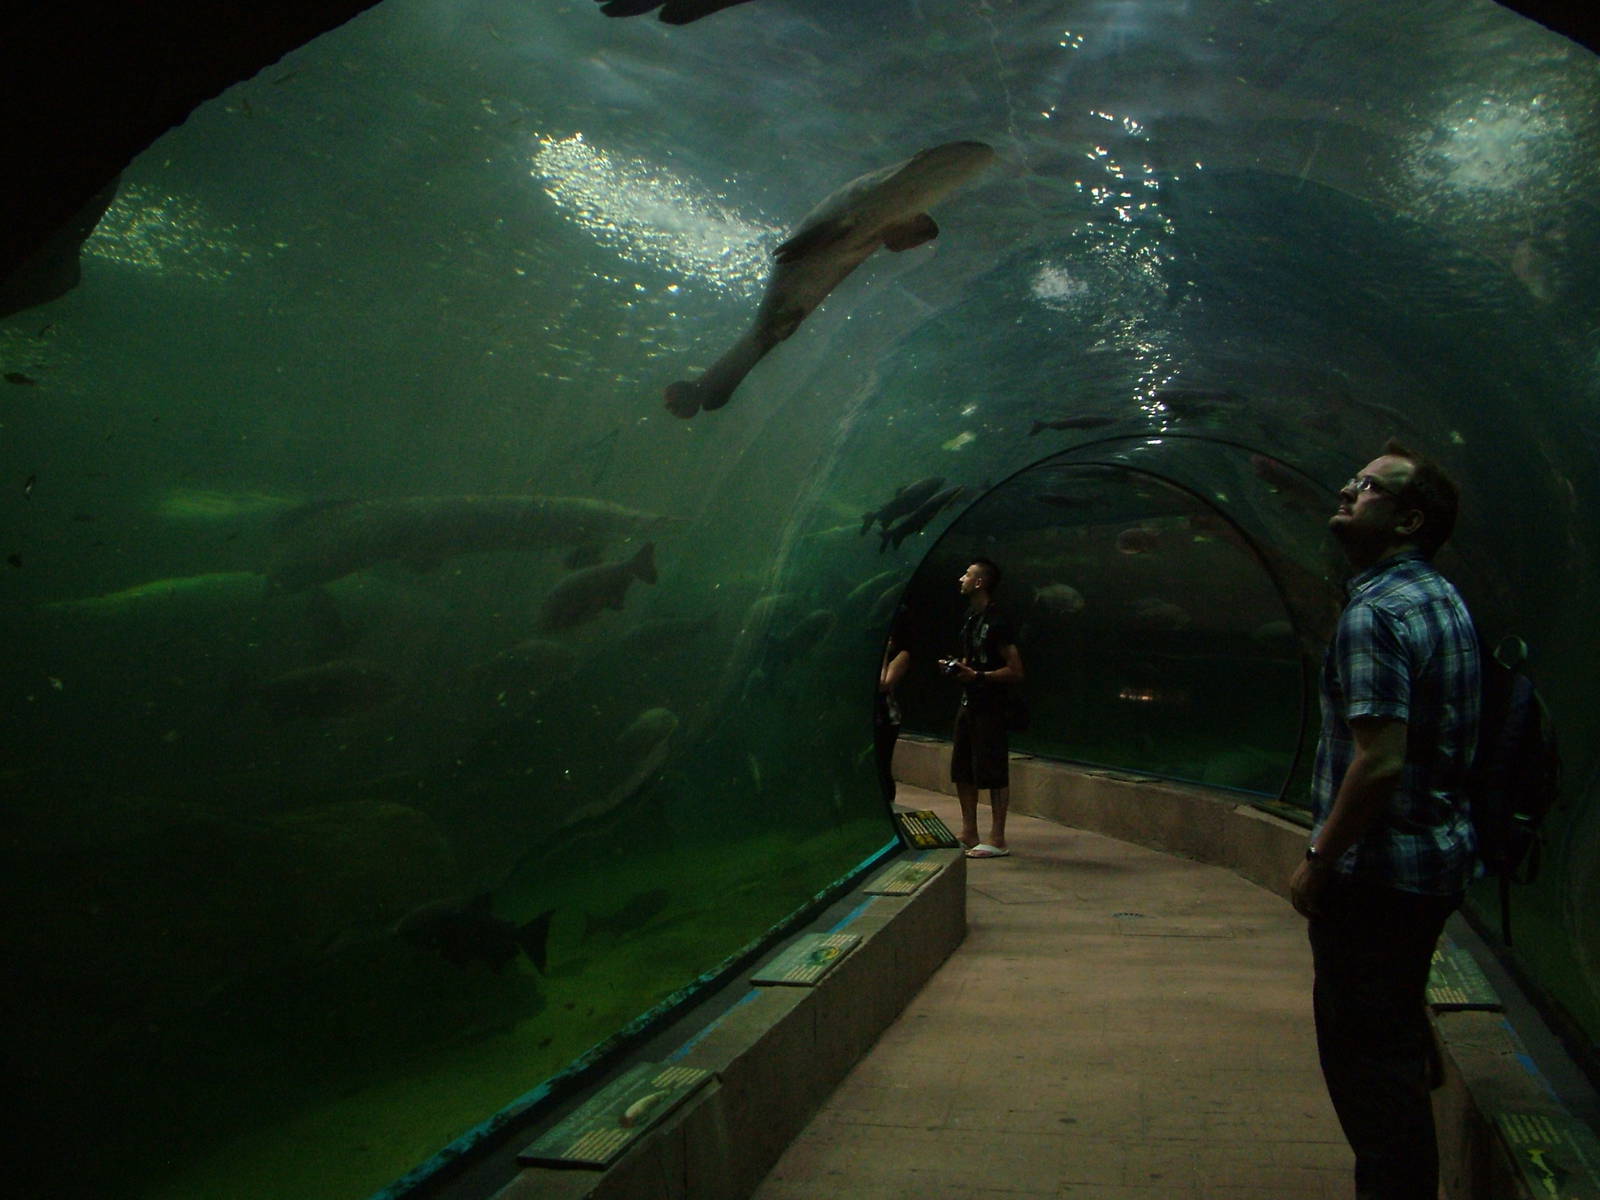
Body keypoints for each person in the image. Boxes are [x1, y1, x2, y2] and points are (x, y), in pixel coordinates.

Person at [1288, 441, 1480, 1200]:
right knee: (1391, 1053)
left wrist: (1319, 859)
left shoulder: (1376, 613)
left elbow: (1381, 760)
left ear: (1408, 519)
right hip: (1432, 866)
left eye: (1367, 486)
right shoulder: (1442, 598)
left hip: (1375, 879)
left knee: (1370, 1080)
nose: (1346, 488)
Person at [942, 558, 1025, 858]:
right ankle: (969, 831)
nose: (960, 578)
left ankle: (998, 838)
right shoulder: (971, 617)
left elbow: (1015, 670)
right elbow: (973, 660)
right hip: (969, 702)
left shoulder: (998, 620)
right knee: (963, 768)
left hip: (992, 706)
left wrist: (979, 676)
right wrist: (958, 668)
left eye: (967, 574)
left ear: (979, 583)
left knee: (993, 769)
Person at [874, 604, 914, 806]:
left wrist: (882, 655)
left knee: (882, 766)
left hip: (887, 718)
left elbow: (883, 684)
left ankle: (888, 806)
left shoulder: (901, 655)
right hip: (871, 717)